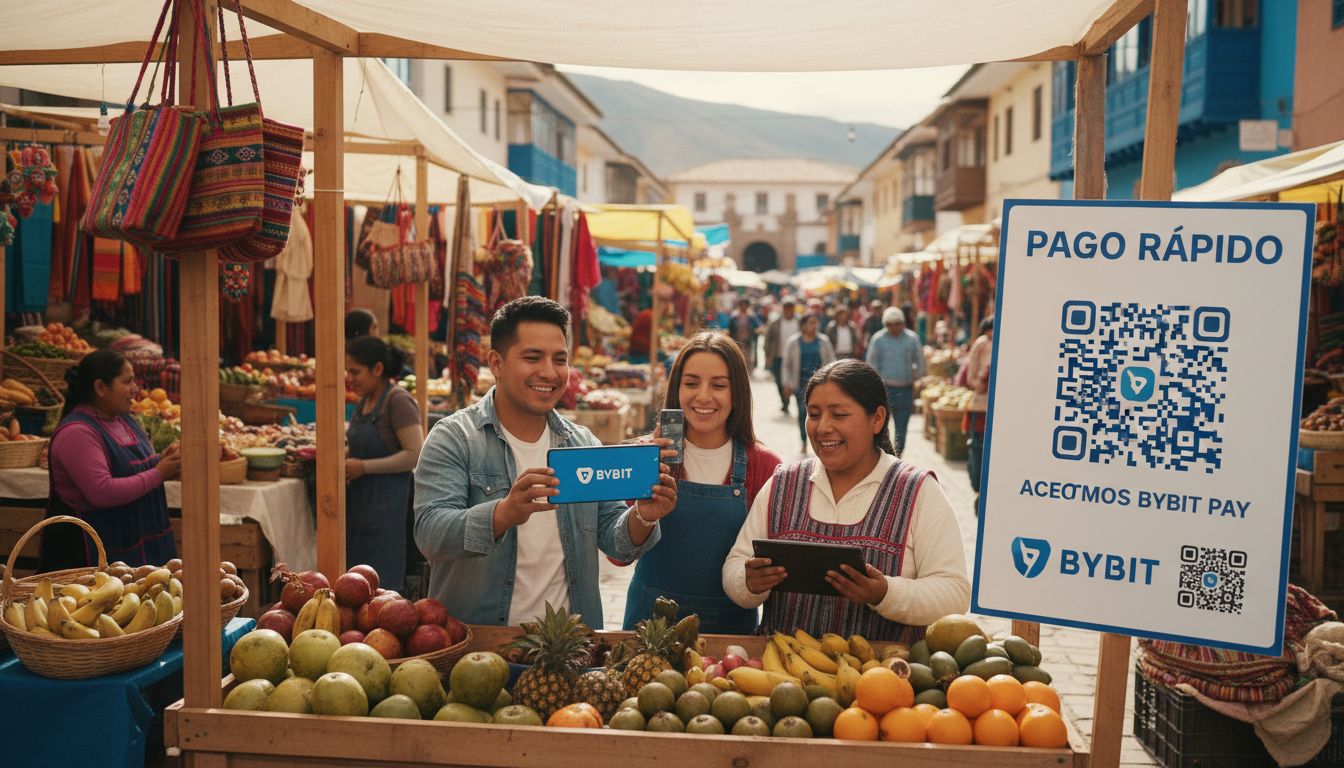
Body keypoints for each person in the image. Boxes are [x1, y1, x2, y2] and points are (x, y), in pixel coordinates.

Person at [414, 297, 677, 628]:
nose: (550, 373)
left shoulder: (582, 444)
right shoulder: (454, 438)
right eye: (532, 357)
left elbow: (615, 540)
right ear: (496, 363)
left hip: (570, 648)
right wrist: (503, 513)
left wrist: (644, 515)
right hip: (479, 649)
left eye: (560, 359)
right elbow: (430, 534)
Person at [722, 359, 970, 641]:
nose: (823, 427)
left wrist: (885, 593)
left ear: (877, 418)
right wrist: (749, 583)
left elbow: (954, 593)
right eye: (813, 414)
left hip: (886, 678)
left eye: (839, 415)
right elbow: (735, 565)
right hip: (785, 676)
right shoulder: (782, 484)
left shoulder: (917, 491)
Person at [622, 332, 783, 633]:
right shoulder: (645, 455)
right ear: (676, 388)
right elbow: (617, 556)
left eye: (719, 385)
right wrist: (644, 508)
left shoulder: (766, 466)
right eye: (692, 383)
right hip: (648, 629)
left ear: (738, 393)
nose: (704, 396)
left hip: (731, 634)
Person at [41, 350, 180, 570]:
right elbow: (102, 491)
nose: (136, 389)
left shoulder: (124, 420)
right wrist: (159, 472)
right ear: (100, 388)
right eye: (127, 381)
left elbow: (131, 469)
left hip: (133, 543)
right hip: (88, 557)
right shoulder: (77, 433)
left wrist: (163, 460)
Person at [345, 336, 424, 591]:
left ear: (377, 369)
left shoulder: (398, 401)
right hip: (361, 507)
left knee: (382, 587)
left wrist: (364, 467)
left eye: (355, 371)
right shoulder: (363, 403)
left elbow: (414, 454)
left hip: (389, 508)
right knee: (356, 585)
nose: (350, 378)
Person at [865, 307, 926, 456]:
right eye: (890, 324)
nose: (894, 327)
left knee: (902, 423)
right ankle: (884, 454)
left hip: (905, 387)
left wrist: (919, 376)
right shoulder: (878, 339)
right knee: (881, 423)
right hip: (885, 388)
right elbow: (871, 362)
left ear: (903, 323)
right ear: (885, 324)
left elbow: (920, 358)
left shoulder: (912, 338)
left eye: (897, 323)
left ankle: (899, 454)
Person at [782, 314, 836, 448]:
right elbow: (786, 364)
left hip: (820, 384)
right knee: (802, 412)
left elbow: (831, 360)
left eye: (815, 323)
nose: (814, 326)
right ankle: (804, 440)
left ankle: (819, 439)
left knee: (820, 412)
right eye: (811, 323)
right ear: (803, 325)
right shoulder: (793, 342)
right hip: (800, 384)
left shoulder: (823, 341)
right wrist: (786, 384)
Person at [963, 316, 994, 514]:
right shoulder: (981, 345)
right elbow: (970, 377)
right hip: (981, 408)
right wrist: (982, 384)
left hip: (1000, 411)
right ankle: (979, 490)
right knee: (977, 449)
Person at [763, 297, 801, 414]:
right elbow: (767, 339)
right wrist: (768, 356)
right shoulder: (775, 323)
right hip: (778, 357)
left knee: (796, 380)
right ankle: (785, 401)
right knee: (780, 381)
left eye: (791, 308)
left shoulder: (799, 322)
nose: (788, 311)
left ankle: (796, 401)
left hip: (796, 358)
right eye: (786, 308)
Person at [726, 298, 761, 370]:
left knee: (747, 358)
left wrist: (756, 330)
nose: (744, 306)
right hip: (737, 340)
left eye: (745, 304)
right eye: (742, 304)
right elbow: (730, 328)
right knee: (737, 357)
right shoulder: (734, 316)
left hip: (747, 341)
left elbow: (758, 326)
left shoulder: (751, 316)